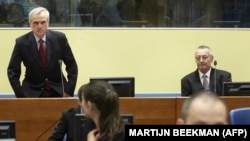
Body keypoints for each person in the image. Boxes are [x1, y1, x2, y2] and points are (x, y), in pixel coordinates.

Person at [7, 7, 78, 98]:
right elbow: (12, 71)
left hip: (58, 90)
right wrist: (21, 94)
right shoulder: (21, 43)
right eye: (35, 23)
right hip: (31, 91)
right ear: (30, 24)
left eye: (43, 22)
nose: (39, 26)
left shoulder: (60, 39)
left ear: (48, 23)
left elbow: (72, 66)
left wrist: (68, 90)